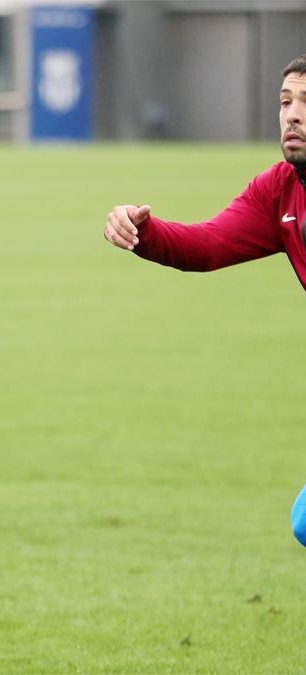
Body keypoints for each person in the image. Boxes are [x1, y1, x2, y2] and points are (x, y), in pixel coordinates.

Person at [102, 54, 306, 545]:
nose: (293, 114)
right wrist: (143, 231)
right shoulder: (279, 191)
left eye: (305, 103)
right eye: (285, 102)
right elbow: (208, 244)